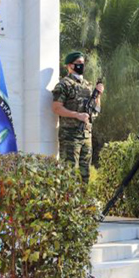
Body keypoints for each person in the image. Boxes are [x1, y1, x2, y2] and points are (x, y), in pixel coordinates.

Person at [52, 52, 103, 185]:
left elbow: (96, 110)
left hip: (86, 136)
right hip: (70, 136)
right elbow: (56, 108)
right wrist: (77, 115)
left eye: (82, 63)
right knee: (69, 174)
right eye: (78, 63)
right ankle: (68, 204)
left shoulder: (87, 85)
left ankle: (83, 204)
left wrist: (98, 95)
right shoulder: (64, 84)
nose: (82, 66)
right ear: (70, 66)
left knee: (85, 174)